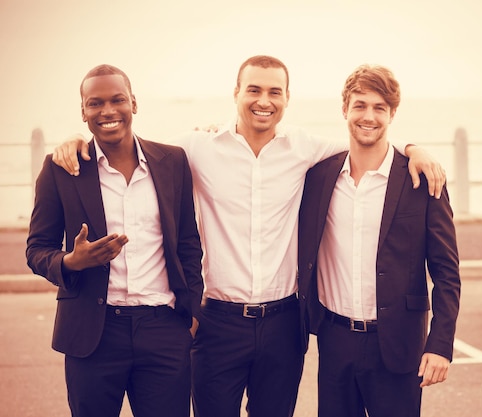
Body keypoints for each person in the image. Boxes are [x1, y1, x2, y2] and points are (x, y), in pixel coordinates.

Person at [50, 55, 447, 417]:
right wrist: (75, 143)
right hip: (217, 322)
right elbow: (133, 146)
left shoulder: (307, 149)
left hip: (283, 323)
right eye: (254, 89)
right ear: (236, 93)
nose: (264, 100)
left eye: (275, 92)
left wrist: (415, 150)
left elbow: (369, 141)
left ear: (287, 98)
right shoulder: (195, 148)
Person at [26, 64, 204, 417]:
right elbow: (36, 250)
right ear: (83, 112)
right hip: (94, 333)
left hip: (163, 329)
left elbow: (187, 242)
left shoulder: (172, 161)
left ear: (133, 103)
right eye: (95, 103)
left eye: (117, 100)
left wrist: (191, 314)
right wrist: (71, 262)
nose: (107, 111)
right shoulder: (60, 169)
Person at [298, 64, 461, 417]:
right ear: (345, 110)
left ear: (392, 114)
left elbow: (447, 273)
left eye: (378, 108)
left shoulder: (422, 179)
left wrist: (441, 344)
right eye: (359, 105)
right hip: (335, 340)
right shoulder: (319, 177)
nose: (368, 116)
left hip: (399, 345)